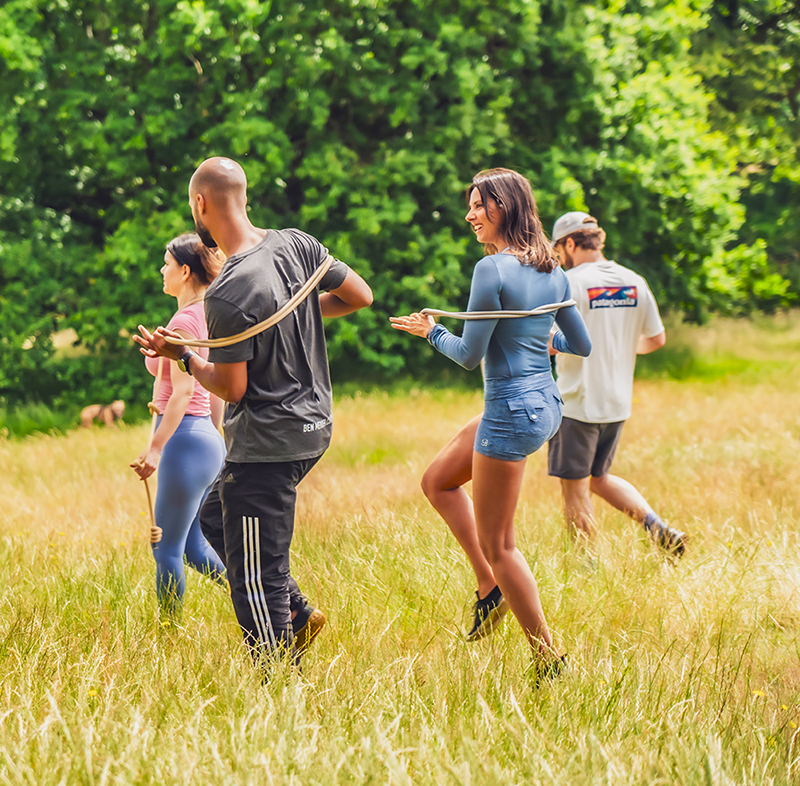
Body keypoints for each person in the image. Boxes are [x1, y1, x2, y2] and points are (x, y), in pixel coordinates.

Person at [134, 157, 373, 667]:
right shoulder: (297, 243)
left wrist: (185, 356)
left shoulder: (228, 291)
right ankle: (301, 615)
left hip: (268, 441)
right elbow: (359, 295)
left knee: (254, 574)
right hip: (315, 424)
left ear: (200, 204)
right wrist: (290, 316)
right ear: (242, 194)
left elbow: (232, 386)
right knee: (216, 517)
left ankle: (278, 679)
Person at [390, 168, 591, 677]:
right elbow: (581, 346)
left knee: (501, 544)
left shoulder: (492, 271)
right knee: (437, 481)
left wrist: (431, 332)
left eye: (479, 205)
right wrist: (543, 341)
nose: (470, 214)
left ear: (504, 206)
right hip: (545, 404)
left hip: (509, 412)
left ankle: (548, 657)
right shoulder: (554, 271)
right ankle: (489, 586)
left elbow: (466, 355)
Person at [547, 211, 687, 554]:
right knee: (598, 479)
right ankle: (661, 531)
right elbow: (656, 339)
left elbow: (548, 339)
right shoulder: (634, 281)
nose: (559, 258)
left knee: (574, 491)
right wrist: (619, 351)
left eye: (559, 250)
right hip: (617, 402)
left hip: (578, 401)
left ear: (569, 243)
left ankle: (588, 569)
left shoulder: (570, 282)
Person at [130, 233, 228, 618]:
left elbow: (184, 393)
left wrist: (156, 448)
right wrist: (215, 437)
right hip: (204, 440)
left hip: (185, 441)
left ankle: (169, 636)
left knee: (166, 549)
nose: (162, 270)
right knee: (193, 547)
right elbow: (215, 387)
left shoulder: (184, 321)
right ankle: (270, 604)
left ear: (185, 271)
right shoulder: (210, 314)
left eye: (167, 263)